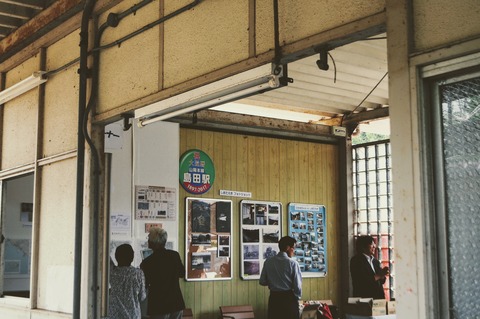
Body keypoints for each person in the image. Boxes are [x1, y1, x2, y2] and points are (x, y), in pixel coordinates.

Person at [140, 227, 186, 319]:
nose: (148, 241)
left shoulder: (147, 262)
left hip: (158, 305)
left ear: (154, 242)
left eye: (149, 238)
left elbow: (144, 285)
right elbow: (182, 273)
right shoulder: (174, 255)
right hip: (175, 303)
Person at [259, 236, 302, 319]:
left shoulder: (268, 262)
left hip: (274, 299)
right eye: (293, 248)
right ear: (287, 248)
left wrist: (273, 282)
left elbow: (262, 281)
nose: (294, 251)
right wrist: (296, 299)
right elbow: (298, 287)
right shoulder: (293, 263)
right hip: (289, 300)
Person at [108, 243, 146, 319]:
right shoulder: (138, 274)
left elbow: (106, 258)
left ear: (116, 257)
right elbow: (142, 297)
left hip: (114, 315)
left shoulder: (112, 272)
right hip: (133, 315)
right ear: (132, 258)